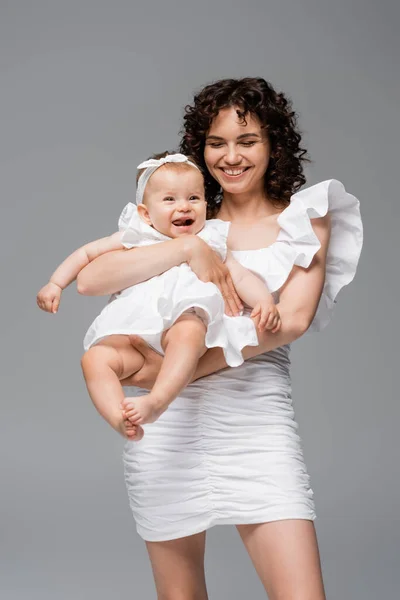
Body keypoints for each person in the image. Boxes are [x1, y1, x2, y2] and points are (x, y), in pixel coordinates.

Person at [75, 78, 363, 599]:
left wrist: (166, 374)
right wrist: (186, 251)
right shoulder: (181, 213)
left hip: (253, 420)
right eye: (216, 143)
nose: (230, 157)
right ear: (199, 147)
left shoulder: (305, 217)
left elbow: (292, 321)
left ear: (274, 143)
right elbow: (91, 280)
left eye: (247, 140)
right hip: (164, 429)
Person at [37, 151, 281, 441]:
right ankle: (119, 416)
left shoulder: (210, 240)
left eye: (193, 198)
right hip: (132, 333)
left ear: (205, 203)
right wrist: (55, 283)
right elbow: (88, 253)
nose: (183, 207)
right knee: (94, 359)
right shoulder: (137, 236)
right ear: (145, 213)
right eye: (169, 199)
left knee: (189, 331)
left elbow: (237, 276)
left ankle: (157, 401)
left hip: (179, 322)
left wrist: (264, 300)